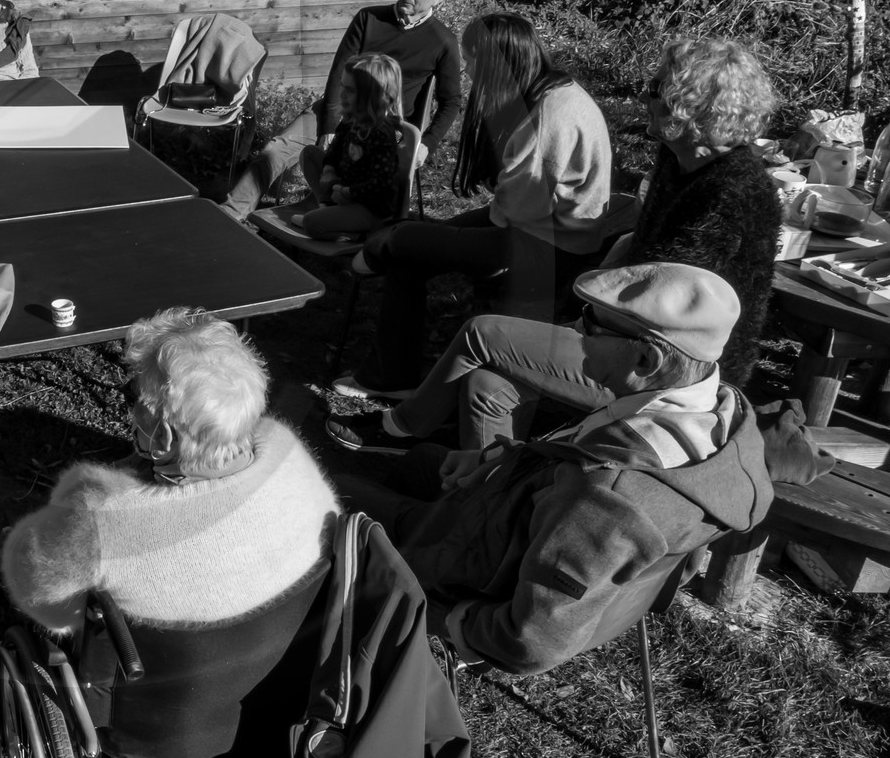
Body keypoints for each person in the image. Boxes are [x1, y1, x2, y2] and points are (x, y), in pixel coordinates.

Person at [334, 37, 781, 451]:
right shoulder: (678, 160)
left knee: (482, 332)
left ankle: (400, 429)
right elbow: (644, 254)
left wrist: (582, 316)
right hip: (627, 332)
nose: (644, 98)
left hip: (671, 369)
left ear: (691, 106)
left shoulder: (732, 193)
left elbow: (669, 309)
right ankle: (483, 486)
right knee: (488, 386)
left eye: (655, 89)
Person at [335, 264, 773, 675]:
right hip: (512, 528)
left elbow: (531, 642)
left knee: (333, 492)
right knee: (421, 460)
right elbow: (575, 459)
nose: (576, 330)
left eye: (592, 324)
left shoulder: (608, 497)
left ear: (646, 360)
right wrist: (497, 460)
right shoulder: (718, 413)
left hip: (469, 570)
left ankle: (372, 592)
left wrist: (446, 619)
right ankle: (382, 561)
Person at [1, 309, 338, 758]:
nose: (129, 404)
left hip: (149, 752)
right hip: (276, 716)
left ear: (160, 436)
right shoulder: (291, 455)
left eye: (133, 396)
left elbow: (42, 600)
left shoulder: (102, 520)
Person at [338, 12, 613, 395]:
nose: (466, 70)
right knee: (408, 256)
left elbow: (519, 210)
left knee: (402, 240)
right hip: (532, 227)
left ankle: (380, 246)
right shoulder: (549, 91)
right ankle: (391, 379)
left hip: (549, 247)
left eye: (471, 60)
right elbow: (517, 204)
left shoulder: (550, 116)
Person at [223, 0, 462, 221]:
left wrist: (427, 143)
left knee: (355, 172)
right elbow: (338, 74)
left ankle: (332, 215)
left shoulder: (443, 41)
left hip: (383, 124)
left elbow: (451, 101)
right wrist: (329, 126)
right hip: (339, 107)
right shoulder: (369, 18)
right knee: (275, 151)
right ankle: (230, 214)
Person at [286, 53, 408, 241]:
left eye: (350, 90)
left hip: (369, 208)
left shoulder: (381, 134)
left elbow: (381, 184)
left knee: (311, 223)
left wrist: (347, 193)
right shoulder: (351, 120)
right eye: (342, 85)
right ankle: (326, 207)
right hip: (343, 189)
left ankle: (354, 234)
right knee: (309, 154)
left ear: (371, 96)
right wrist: (329, 170)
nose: (341, 93)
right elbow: (334, 150)